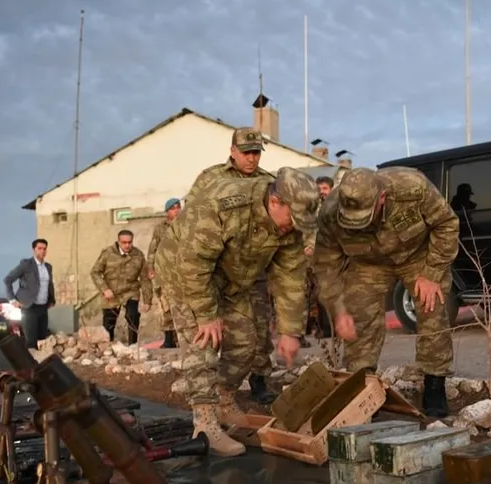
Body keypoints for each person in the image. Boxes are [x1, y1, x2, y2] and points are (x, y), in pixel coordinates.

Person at [154, 167, 321, 456]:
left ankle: (224, 400)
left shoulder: (289, 224)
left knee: (247, 343)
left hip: (232, 277)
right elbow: (193, 263)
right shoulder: (224, 204)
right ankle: (204, 422)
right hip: (184, 271)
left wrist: (290, 330)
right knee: (204, 340)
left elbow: (291, 278)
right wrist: (206, 314)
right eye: (292, 219)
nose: (293, 228)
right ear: (274, 202)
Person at [312, 167, 459, 419]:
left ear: (381, 198)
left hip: (417, 257)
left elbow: (446, 224)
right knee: (358, 315)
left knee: (431, 307)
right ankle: (362, 389)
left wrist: (432, 274)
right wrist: (337, 310)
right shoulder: (330, 213)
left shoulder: (411, 188)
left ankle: (435, 383)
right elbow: (327, 264)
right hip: (368, 263)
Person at [181, 127, 279, 403]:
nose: (252, 158)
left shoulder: (269, 182)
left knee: (259, 327)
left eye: (257, 152)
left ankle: (260, 378)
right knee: (214, 328)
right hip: (215, 269)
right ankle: (211, 391)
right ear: (233, 152)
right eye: (246, 152)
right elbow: (193, 221)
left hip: (252, 270)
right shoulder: (211, 178)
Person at [89, 230, 152, 345]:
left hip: (130, 291)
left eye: (130, 242)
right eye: (124, 242)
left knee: (132, 316)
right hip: (111, 292)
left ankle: (133, 346)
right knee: (109, 322)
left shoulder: (138, 255)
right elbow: (95, 272)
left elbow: (145, 279)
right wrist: (105, 289)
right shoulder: (108, 253)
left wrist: (147, 300)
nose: (127, 245)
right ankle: (108, 347)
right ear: (118, 242)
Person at [3, 238, 55, 349]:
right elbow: (8, 280)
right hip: (29, 307)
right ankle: (29, 365)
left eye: (44, 249)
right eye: (39, 248)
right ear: (33, 250)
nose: (42, 251)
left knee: (42, 339)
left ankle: (41, 364)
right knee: (31, 341)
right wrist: (12, 300)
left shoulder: (48, 267)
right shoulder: (26, 264)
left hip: (43, 307)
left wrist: (51, 300)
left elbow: (49, 284)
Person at [146, 197, 182, 349]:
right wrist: (151, 268)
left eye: (179, 207)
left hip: (184, 273)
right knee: (166, 307)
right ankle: (169, 340)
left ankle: (184, 339)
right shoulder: (160, 228)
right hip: (165, 273)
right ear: (167, 212)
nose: (177, 210)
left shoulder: (188, 224)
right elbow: (153, 250)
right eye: (173, 208)